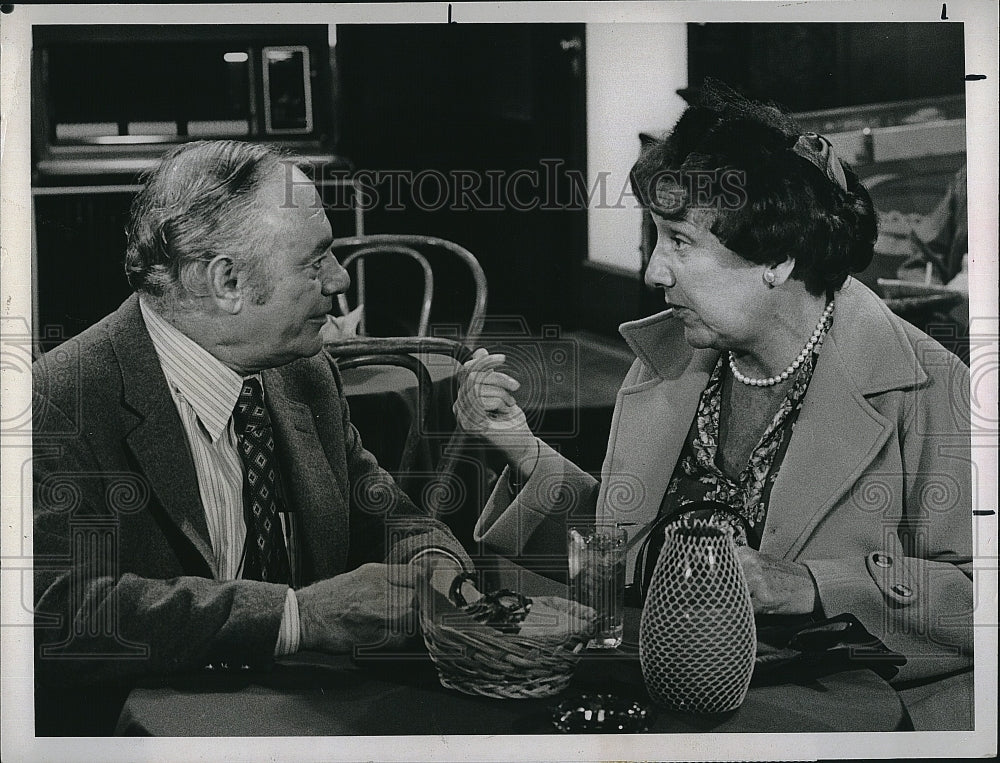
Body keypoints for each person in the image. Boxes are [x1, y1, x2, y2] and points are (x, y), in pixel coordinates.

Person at [455, 82, 973, 730]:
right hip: (666, 695)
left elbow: (974, 602)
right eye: (656, 238)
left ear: (777, 258)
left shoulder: (926, 386)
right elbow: (622, 559)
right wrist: (523, 450)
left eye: (679, 241)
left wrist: (807, 585)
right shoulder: (667, 356)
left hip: (836, 720)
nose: (654, 272)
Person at [32, 140, 481, 735]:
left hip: (305, 719)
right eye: (316, 260)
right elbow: (57, 616)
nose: (341, 279)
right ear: (226, 281)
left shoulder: (303, 372)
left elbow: (381, 510)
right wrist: (296, 617)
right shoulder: (53, 403)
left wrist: (433, 561)